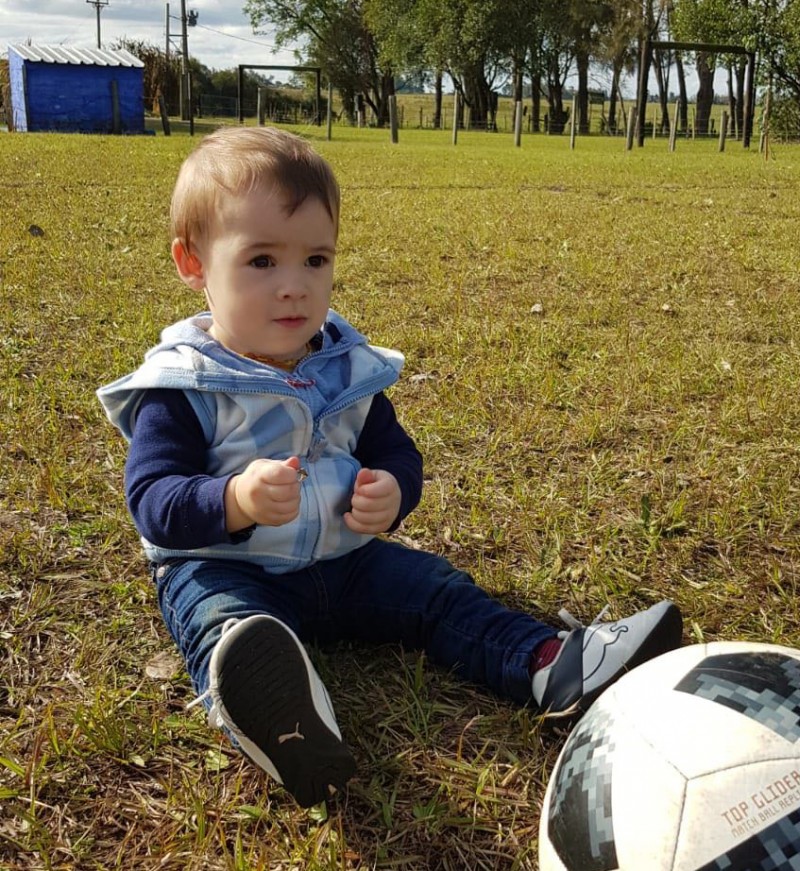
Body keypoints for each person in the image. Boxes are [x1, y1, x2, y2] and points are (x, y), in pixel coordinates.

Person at [98, 126, 682, 809]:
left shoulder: (346, 370)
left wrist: (393, 489)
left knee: (439, 591)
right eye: (261, 261)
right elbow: (153, 498)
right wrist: (233, 499)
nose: (294, 287)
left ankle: (550, 663)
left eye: (315, 259)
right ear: (192, 264)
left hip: (345, 564)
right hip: (227, 565)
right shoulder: (183, 386)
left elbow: (396, 450)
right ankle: (280, 710)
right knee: (223, 619)